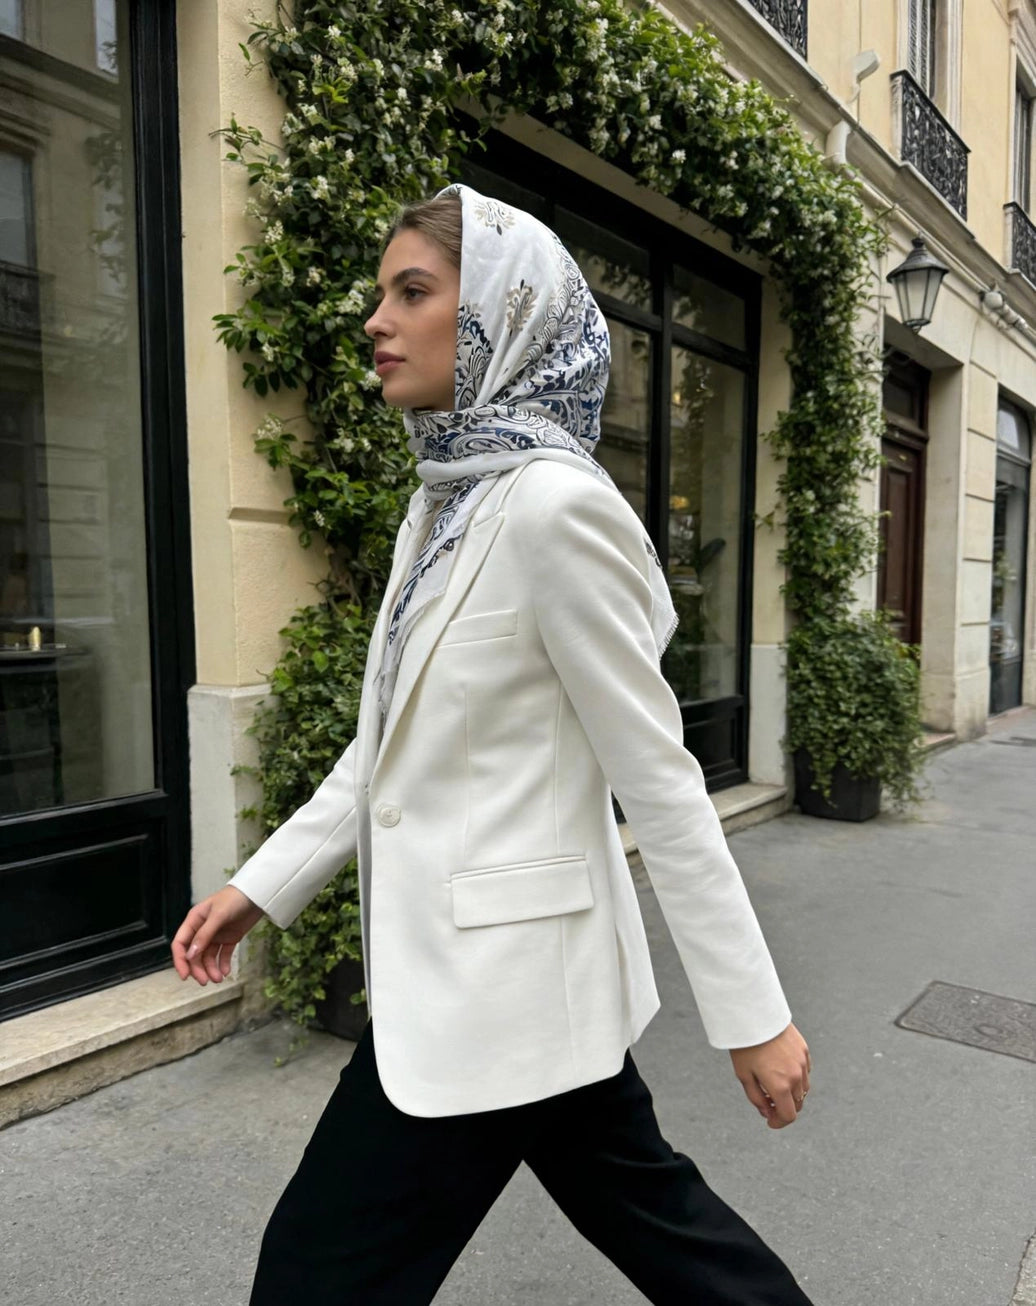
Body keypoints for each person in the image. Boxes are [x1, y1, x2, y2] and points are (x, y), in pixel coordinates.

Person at [172, 184, 814, 1305]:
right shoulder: (447, 503)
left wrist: (751, 1017)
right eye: (382, 291)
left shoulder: (550, 510)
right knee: (682, 1246)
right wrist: (263, 884)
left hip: (496, 988)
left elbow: (657, 779)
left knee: (312, 1277)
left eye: (412, 291)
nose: (376, 318)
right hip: (485, 989)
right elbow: (390, 744)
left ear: (501, 318)